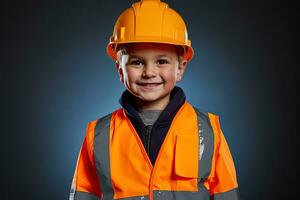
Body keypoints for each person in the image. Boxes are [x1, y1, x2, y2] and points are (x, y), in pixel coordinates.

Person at [69, 0, 239, 199]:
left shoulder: (209, 130)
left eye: (161, 61)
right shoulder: (97, 135)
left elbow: (226, 194)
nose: (149, 72)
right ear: (119, 69)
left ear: (180, 68)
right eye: (137, 62)